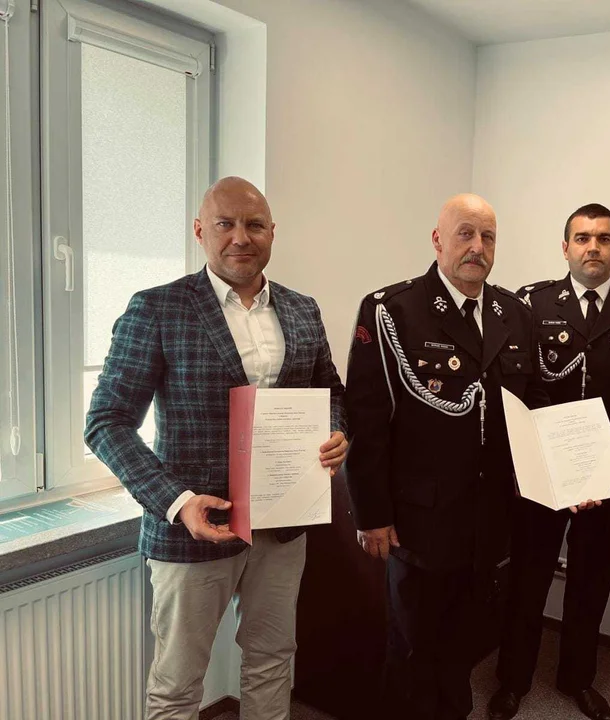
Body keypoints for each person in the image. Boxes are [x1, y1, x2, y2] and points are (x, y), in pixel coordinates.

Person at [85, 177, 348, 720]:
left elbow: (331, 393)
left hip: (282, 524)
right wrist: (177, 501)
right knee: (178, 685)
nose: (240, 237)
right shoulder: (157, 308)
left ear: (272, 232)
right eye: (225, 224)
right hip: (193, 526)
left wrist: (337, 434)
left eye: (254, 225)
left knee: (273, 661)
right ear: (200, 231)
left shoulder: (302, 309)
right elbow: (106, 422)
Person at [344, 193, 548, 720]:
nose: (477, 247)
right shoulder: (393, 310)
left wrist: (568, 476)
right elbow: (366, 420)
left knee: (463, 645)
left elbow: (532, 413)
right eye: (465, 234)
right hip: (419, 520)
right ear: (438, 240)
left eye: (488, 237)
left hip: (488, 520)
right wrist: (372, 514)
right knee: (413, 647)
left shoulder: (514, 314)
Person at [487, 203, 610, 720]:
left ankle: (577, 679)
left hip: (609, 472)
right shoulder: (532, 303)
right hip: (542, 471)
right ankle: (512, 681)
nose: (594, 247)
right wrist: (520, 465)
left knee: (591, 583)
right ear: (565, 247)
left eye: (604, 238)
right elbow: (514, 388)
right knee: (527, 580)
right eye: (583, 238)